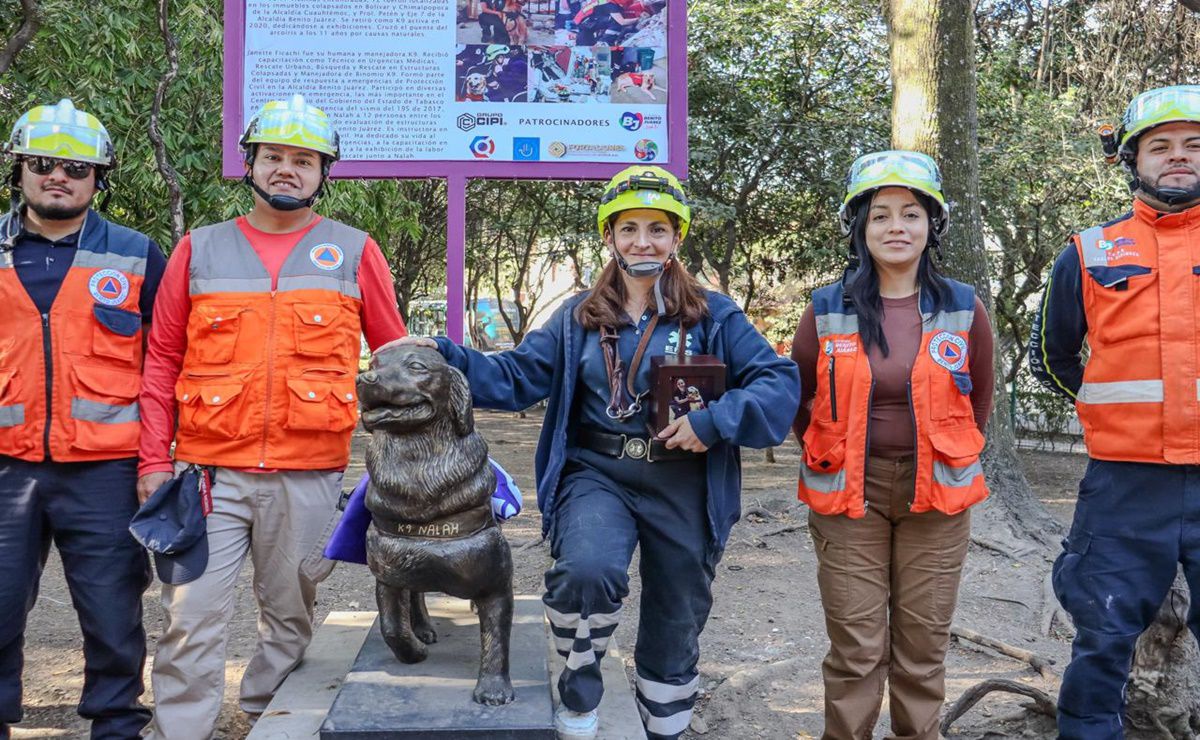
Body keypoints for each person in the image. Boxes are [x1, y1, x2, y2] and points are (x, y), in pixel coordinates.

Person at [387, 165, 798, 740]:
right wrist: (447, 355)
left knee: (677, 612)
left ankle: (665, 722)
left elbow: (777, 381)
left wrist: (715, 420)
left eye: (658, 228)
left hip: (684, 482)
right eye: (628, 228)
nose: (643, 241)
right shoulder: (578, 316)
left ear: (677, 236)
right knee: (586, 569)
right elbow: (517, 375)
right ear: (609, 236)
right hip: (597, 472)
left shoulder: (712, 314)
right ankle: (579, 690)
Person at [136, 94, 407, 739]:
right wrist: (153, 459)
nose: (288, 170)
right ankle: (183, 731)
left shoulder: (353, 250)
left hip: (309, 473)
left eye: (304, 161)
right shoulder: (198, 250)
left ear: (322, 173)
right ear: (250, 163)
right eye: (275, 157)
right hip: (210, 474)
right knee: (190, 614)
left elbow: (397, 364)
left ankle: (268, 721)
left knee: (289, 615)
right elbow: (160, 363)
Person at [791, 150, 994, 740]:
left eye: (911, 214)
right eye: (881, 215)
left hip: (937, 496)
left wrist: (947, 448)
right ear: (861, 228)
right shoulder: (827, 307)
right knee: (856, 646)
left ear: (932, 226)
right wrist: (836, 450)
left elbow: (978, 397)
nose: (896, 227)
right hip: (849, 495)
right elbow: (799, 397)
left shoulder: (962, 305)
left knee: (923, 646)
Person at [1028, 84, 1200, 739]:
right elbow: (1054, 357)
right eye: (1160, 146)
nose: (1178, 157)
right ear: (1133, 159)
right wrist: (1115, 414)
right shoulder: (1088, 252)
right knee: (1101, 636)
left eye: (1193, 145)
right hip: (1124, 484)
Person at [0, 99, 167, 740]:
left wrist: (157, 460)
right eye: (43, 163)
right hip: (6, 466)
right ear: (19, 171)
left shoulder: (135, 255)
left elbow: (164, 364)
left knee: (112, 612)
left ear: (98, 179)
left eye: (76, 166)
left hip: (105, 469)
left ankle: (117, 725)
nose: (58, 177)